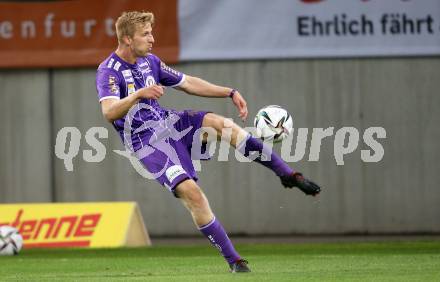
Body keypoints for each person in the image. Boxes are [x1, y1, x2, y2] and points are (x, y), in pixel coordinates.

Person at [95, 11, 321, 273]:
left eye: (151, 32)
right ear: (127, 39)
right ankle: (235, 261)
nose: (152, 39)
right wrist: (139, 95)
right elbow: (109, 112)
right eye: (145, 34)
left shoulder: (151, 62)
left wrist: (229, 92)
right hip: (146, 143)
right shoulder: (108, 71)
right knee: (193, 195)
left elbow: (188, 83)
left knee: (222, 125)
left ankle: (287, 174)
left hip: (169, 122)